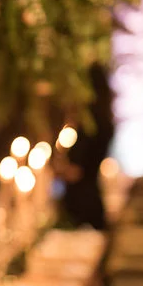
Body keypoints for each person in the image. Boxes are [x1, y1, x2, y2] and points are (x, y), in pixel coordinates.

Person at [58, 63, 115, 230]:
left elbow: (75, 171)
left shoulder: (89, 126)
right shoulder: (105, 121)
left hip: (80, 205)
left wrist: (58, 168)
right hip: (93, 199)